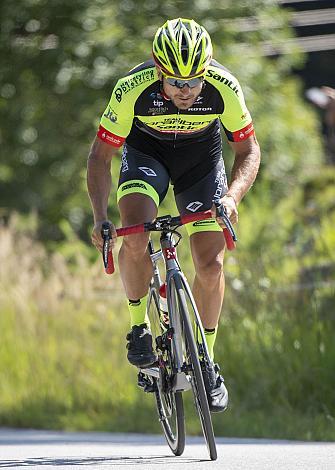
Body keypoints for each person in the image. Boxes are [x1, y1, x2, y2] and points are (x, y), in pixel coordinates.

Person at [87, 18, 261, 412]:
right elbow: (100, 157)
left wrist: (232, 197)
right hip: (147, 155)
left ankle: (207, 360)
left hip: (200, 163)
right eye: (176, 83)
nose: (186, 91)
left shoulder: (224, 87)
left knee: (211, 264)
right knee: (134, 234)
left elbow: (249, 151)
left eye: (194, 82)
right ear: (158, 70)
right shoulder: (131, 88)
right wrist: (100, 216)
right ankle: (138, 329)